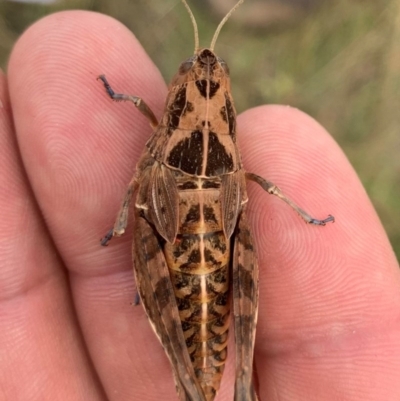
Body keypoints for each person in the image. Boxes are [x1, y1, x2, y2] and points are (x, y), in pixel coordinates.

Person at [1, 11, 399, 400]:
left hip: (208, 245)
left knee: (146, 196)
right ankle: (195, 383)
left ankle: (233, 385)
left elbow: (134, 184)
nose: (206, 72)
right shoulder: (214, 151)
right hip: (189, 241)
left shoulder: (159, 143)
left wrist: (121, 224)